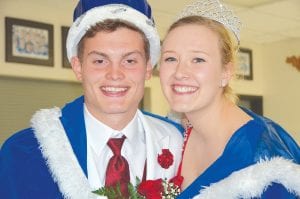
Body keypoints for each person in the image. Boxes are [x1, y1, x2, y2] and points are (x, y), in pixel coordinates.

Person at [0, 0, 183, 198]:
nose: (115, 74)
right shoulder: (24, 153)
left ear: (148, 68)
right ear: (78, 67)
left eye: (129, 60)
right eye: (100, 61)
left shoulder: (178, 142)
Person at [159, 0, 300, 198]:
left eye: (198, 59)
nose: (180, 72)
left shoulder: (264, 159)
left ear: (226, 72)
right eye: (170, 58)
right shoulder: (171, 133)